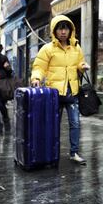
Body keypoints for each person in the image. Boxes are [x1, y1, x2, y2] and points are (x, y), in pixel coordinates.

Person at [31, 15, 90, 165]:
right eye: (60, 28)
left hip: (72, 92)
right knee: (52, 125)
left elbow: (79, 63)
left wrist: (82, 67)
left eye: (66, 28)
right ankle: (51, 152)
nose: (63, 32)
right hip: (54, 95)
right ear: (54, 31)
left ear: (71, 30)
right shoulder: (47, 49)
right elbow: (39, 67)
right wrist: (36, 78)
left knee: (75, 123)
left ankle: (74, 152)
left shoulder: (76, 47)